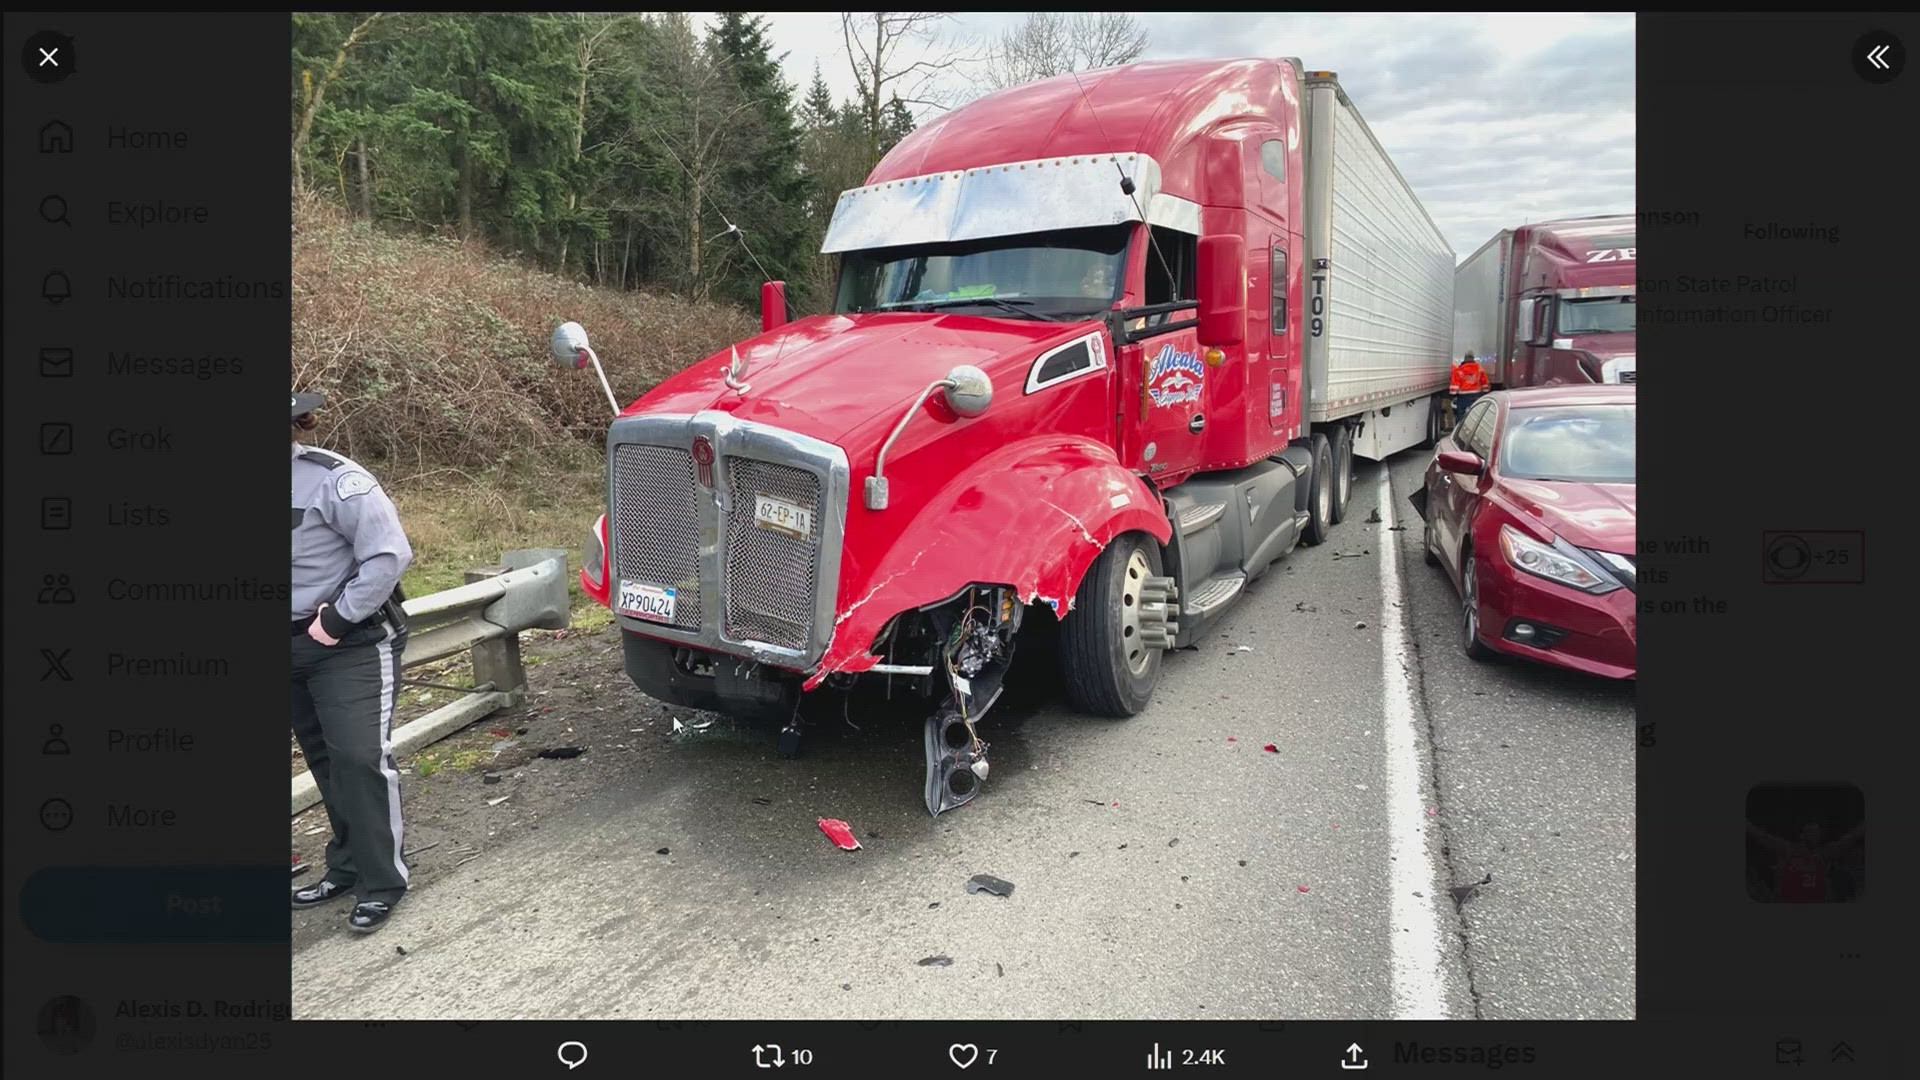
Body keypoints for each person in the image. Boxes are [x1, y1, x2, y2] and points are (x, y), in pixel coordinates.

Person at [290, 391, 415, 934]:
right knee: (323, 756)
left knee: (360, 756)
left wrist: (335, 622)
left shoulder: (334, 479)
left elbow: (388, 554)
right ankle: (345, 866)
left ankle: (382, 881)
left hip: (350, 640)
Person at [1449, 350, 1492, 427]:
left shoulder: (1460, 370)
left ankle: (1459, 429)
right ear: (1473, 358)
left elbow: (1454, 386)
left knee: (1461, 414)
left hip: (1463, 396)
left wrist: (1453, 394)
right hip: (1476, 395)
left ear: (1465, 359)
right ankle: (1475, 428)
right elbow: (1485, 383)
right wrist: (1485, 392)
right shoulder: (1479, 369)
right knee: (1476, 414)